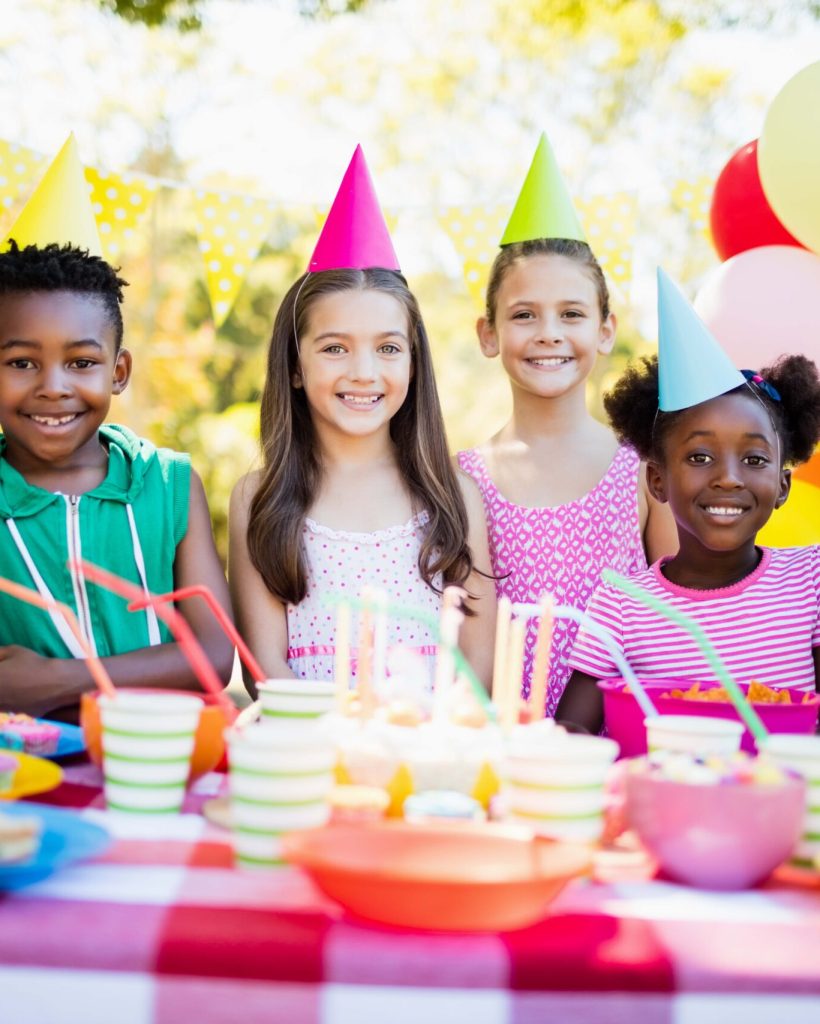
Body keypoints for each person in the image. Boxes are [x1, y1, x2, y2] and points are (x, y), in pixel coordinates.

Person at [229, 148, 495, 696]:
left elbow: (478, 664)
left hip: (425, 760)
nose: (364, 372)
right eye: (334, 348)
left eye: (388, 348)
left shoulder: (452, 496)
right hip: (309, 759)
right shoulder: (259, 498)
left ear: (414, 362)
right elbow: (265, 670)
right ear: (295, 366)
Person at [458, 136, 675, 716]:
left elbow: (677, 615)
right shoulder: (464, 480)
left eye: (572, 314)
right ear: (488, 333)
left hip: (620, 748)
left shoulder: (644, 469)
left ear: (606, 330)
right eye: (524, 314)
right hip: (505, 751)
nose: (549, 333)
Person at [557, 271, 820, 734]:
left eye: (754, 458)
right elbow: (570, 735)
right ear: (657, 480)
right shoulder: (621, 604)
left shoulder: (810, 582)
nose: (727, 478)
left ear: (782, 485)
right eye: (699, 456)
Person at [0, 243, 234, 720]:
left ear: (118, 371)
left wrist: (56, 680)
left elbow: (212, 655)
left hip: (165, 759)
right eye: (22, 362)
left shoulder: (170, 485)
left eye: (81, 363)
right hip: (22, 774)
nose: (53, 386)